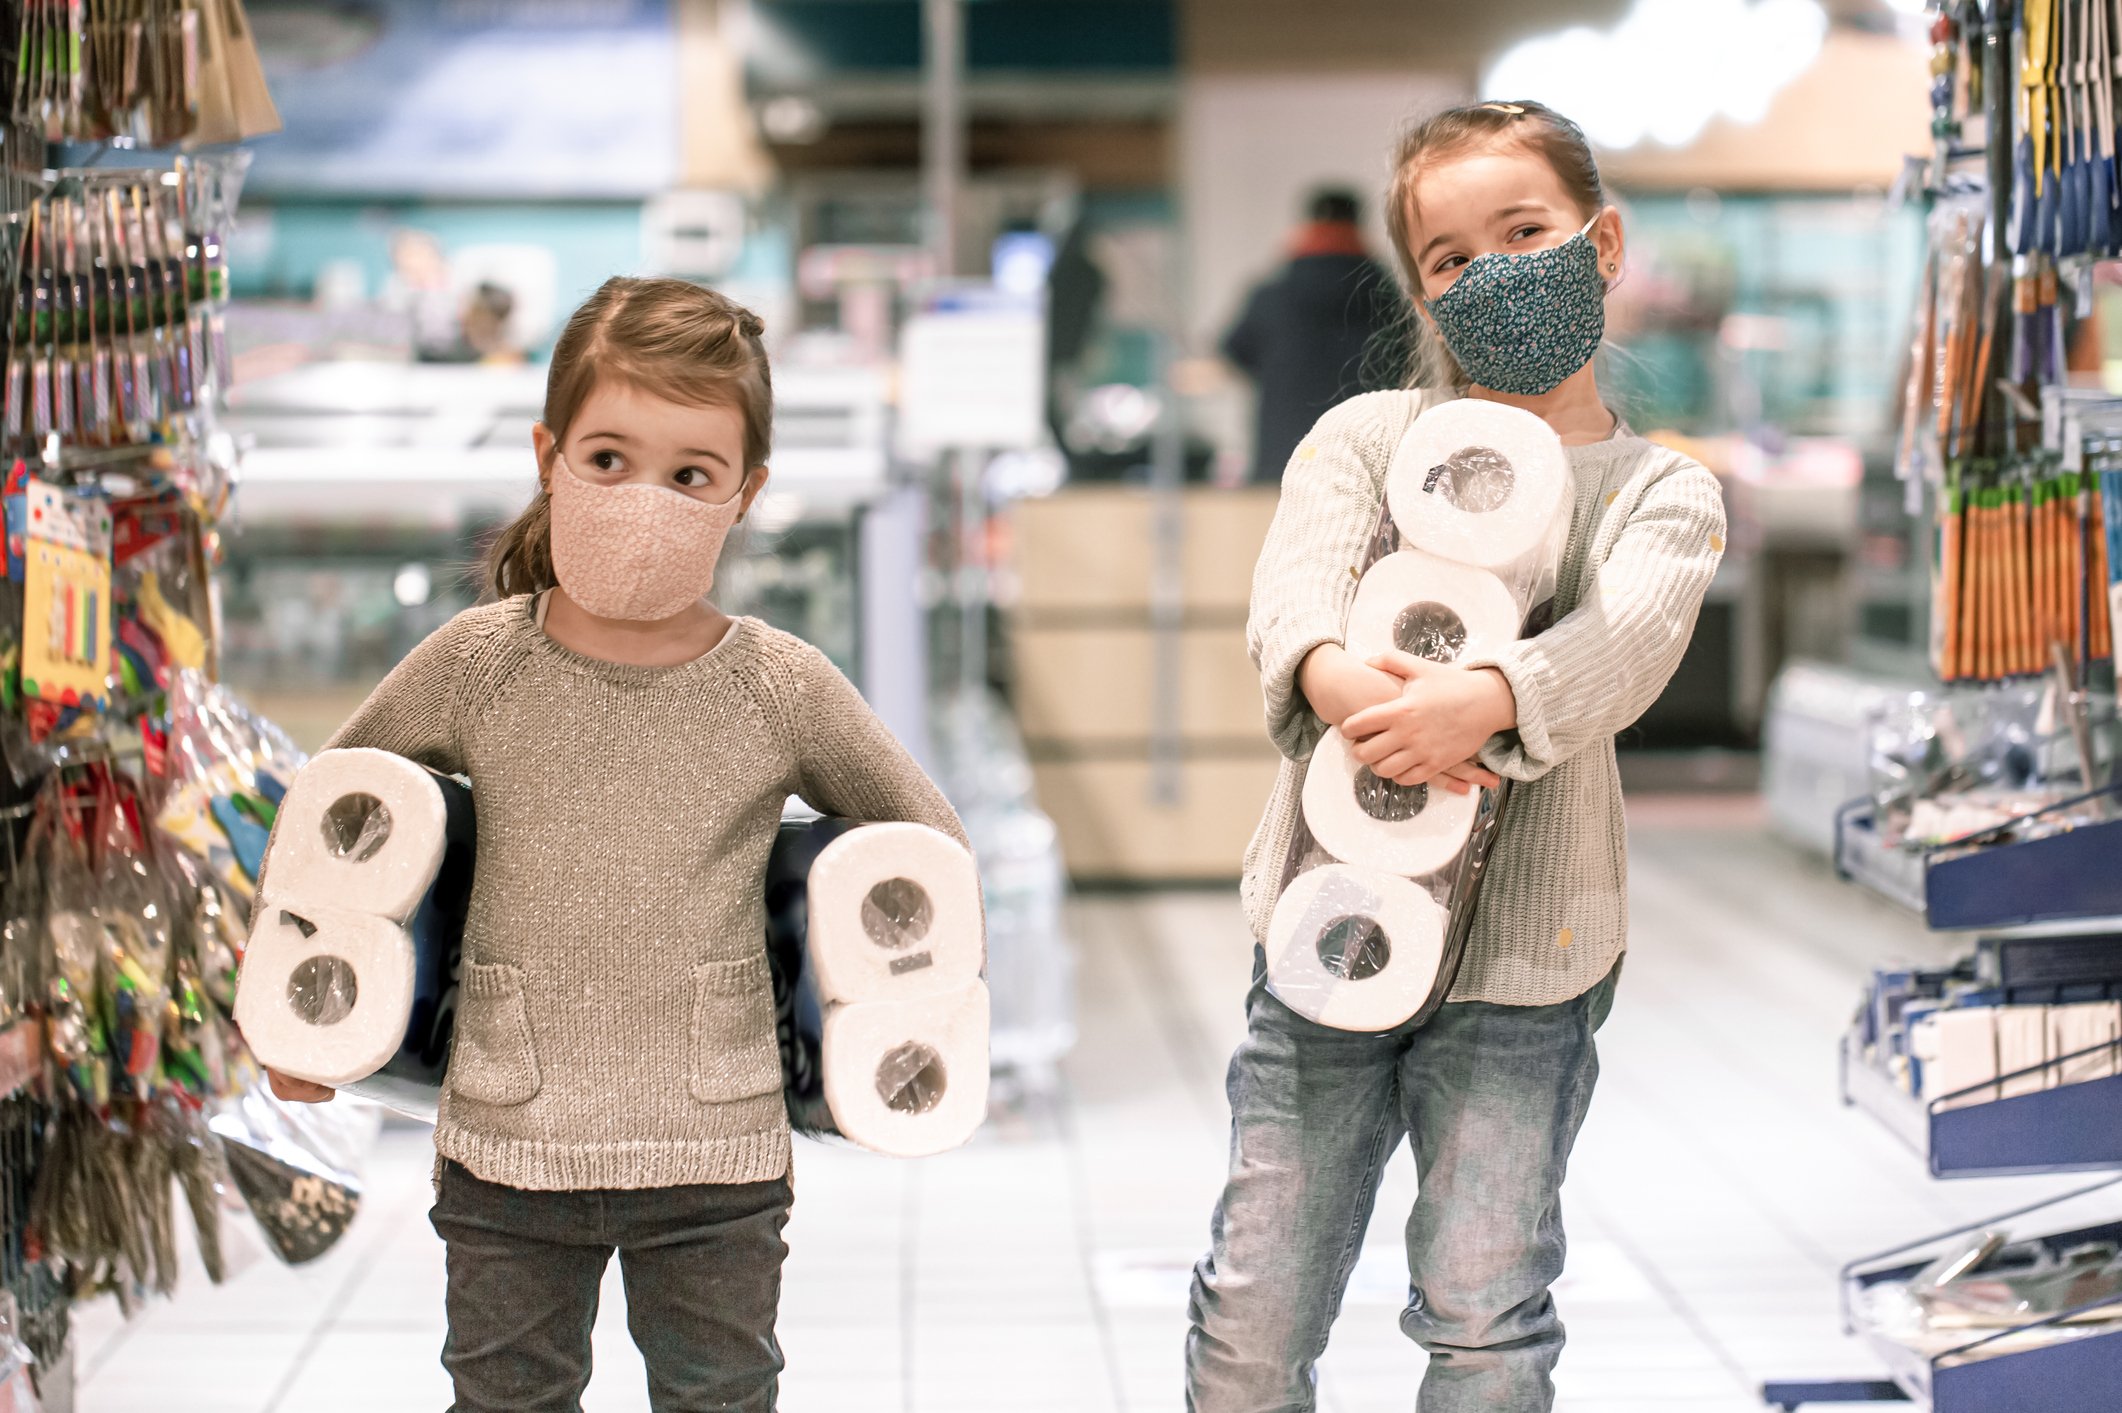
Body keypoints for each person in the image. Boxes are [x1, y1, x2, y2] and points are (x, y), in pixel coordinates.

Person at [259, 276, 969, 1413]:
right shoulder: (476, 663)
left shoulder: (778, 686)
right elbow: (329, 832)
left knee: (720, 1400)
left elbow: (926, 852)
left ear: (746, 493)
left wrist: (877, 1030)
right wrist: (304, 1018)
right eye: (607, 459)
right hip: (505, 1148)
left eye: (690, 473)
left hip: (717, 1159)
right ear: (549, 455)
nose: (646, 497)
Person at [1185, 101, 1728, 1412]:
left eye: (1525, 232)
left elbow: (1626, 643)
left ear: (1600, 244)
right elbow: (1294, 604)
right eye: (1447, 256)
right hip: (1329, 926)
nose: (1489, 272)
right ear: (1416, 287)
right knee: (1258, 1302)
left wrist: (1482, 699)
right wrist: (1349, 688)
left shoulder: (1661, 491)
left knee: (1484, 1306)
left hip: (1526, 967)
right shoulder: (1368, 442)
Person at [1222, 187, 1399, 485]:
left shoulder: (1271, 296)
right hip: (1368, 468)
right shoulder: (1389, 300)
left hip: (1285, 464)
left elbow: (1234, 354)